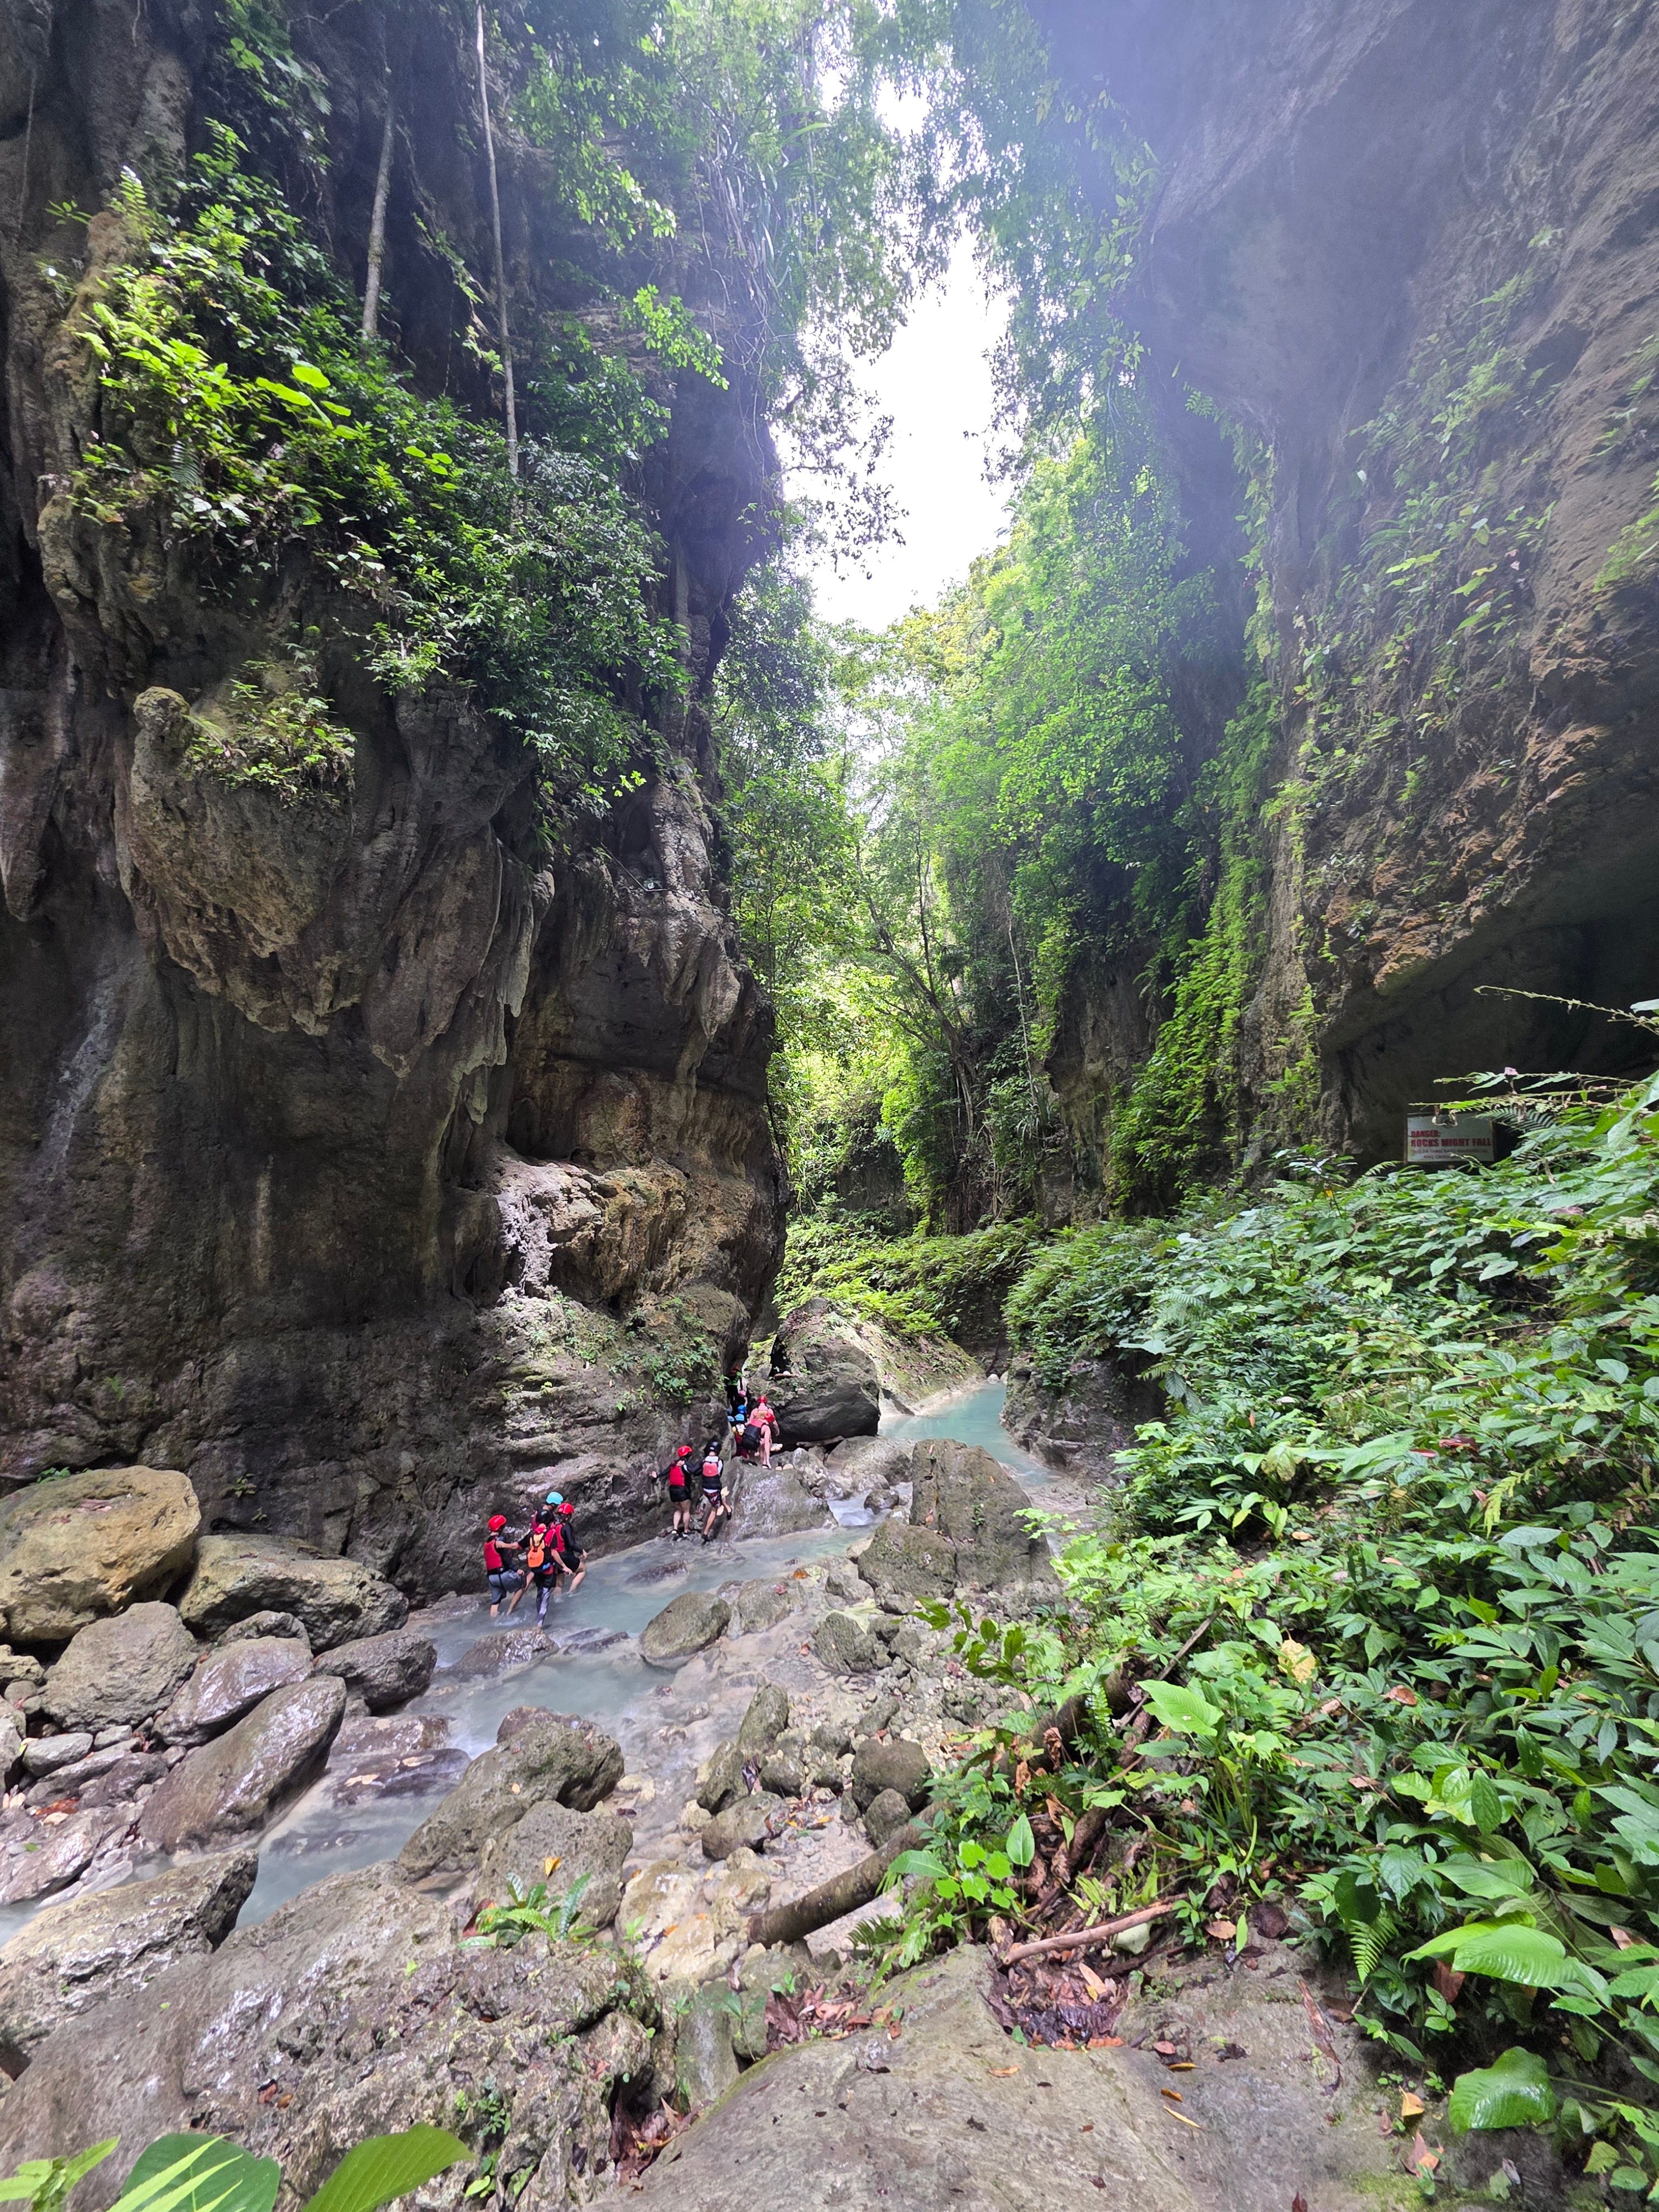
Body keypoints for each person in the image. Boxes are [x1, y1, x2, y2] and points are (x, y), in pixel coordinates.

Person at [525, 1493, 567, 1621]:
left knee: (541, 1590)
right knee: (546, 1589)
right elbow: (547, 1539)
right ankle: (541, 1620)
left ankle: (543, 1614)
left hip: (538, 1553)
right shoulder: (546, 1518)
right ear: (553, 1504)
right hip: (546, 1555)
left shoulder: (539, 1513)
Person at [483, 1514, 524, 1619]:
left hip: (492, 1578)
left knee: (495, 1602)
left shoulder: (487, 1544)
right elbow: (506, 1558)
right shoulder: (498, 1542)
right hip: (503, 1575)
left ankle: (493, 1624)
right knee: (522, 1585)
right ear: (500, 1528)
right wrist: (516, 1569)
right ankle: (510, 1612)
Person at [699, 1436, 731, 1543]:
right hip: (714, 1489)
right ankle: (706, 1533)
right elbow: (719, 1474)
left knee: (716, 1500)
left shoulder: (704, 1460)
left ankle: (728, 1508)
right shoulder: (719, 1461)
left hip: (705, 1489)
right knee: (714, 1509)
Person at [659, 1444, 694, 1538]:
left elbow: (664, 1472)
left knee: (678, 1510)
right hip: (682, 1490)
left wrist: (656, 1476)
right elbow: (693, 1471)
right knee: (686, 1511)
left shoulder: (673, 1463)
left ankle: (675, 1529)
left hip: (673, 1490)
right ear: (688, 1455)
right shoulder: (686, 1464)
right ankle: (686, 1531)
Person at [556, 1499, 587, 1590]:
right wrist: (582, 1551)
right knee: (583, 1569)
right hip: (566, 1556)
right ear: (569, 1515)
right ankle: (571, 1592)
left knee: (559, 1583)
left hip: (556, 1557)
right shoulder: (567, 1527)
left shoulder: (554, 1526)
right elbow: (572, 1544)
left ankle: (558, 1600)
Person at [750, 1391, 778, 1467]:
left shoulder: (755, 1411)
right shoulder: (769, 1411)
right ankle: (766, 1462)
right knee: (767, 1442)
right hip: (765, 1428)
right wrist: (777, 1430)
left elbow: (750, 1422)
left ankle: (752, 1459)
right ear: (765, 1402)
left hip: (755, 1428)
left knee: (753, 1440)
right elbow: (774, 1423)